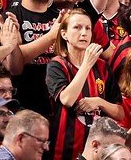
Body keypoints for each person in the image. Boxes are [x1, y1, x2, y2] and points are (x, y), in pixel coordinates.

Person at [45, 9, 122, 160]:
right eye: (77, 27)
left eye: (88, 28)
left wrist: (99, 102)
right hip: (64, 150)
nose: (84, 33)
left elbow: (120, 113)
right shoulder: (57, 65)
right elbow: (67, 99)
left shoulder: (103, 67)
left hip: (97, 150)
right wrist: (86, 64)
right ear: (64, 34)